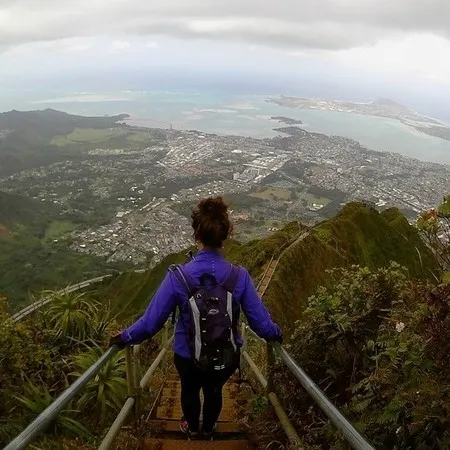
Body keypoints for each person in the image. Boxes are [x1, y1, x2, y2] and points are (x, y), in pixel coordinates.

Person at [109, 196, 282, 439]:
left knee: (189, 391)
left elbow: (151, 324)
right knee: (214, 391)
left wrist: (124, 337)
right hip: (225, 354)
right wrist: (277, 333)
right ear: (226, 235)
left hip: (186, 354)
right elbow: (261, 323)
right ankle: (210, 429)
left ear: (196, 235)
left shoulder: (178, 277)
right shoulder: (239, 277)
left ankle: (191, 428)